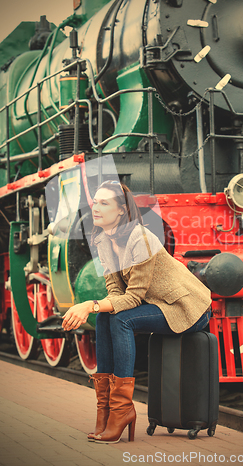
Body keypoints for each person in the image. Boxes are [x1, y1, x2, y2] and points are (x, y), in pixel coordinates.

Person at [62, 180, 212, 444]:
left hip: (187, 308)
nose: (95, 207)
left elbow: (133, 298)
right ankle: (106, 411)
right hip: (157, 304)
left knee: (121, 320)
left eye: (104, 202)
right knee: (107, 315)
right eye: (95, 201)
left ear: (121, 211)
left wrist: (89, 305)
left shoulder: (140, 238)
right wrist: (98, 308)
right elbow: (115, 294)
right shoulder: (102, 240)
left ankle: (122, 410)